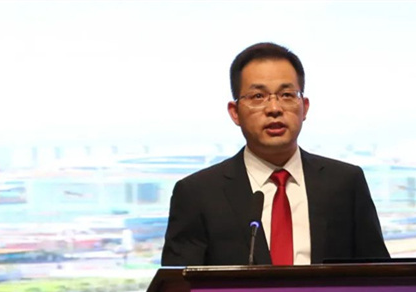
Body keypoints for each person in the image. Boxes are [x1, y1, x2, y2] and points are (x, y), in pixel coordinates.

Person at [161, 42, 389, 266]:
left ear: (304, 107)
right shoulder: (197, 194)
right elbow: (180, 286)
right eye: (257, 97)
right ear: (235, 112)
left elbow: (379, 276)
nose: (274, 109)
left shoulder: (345, 183)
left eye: (287, 95)